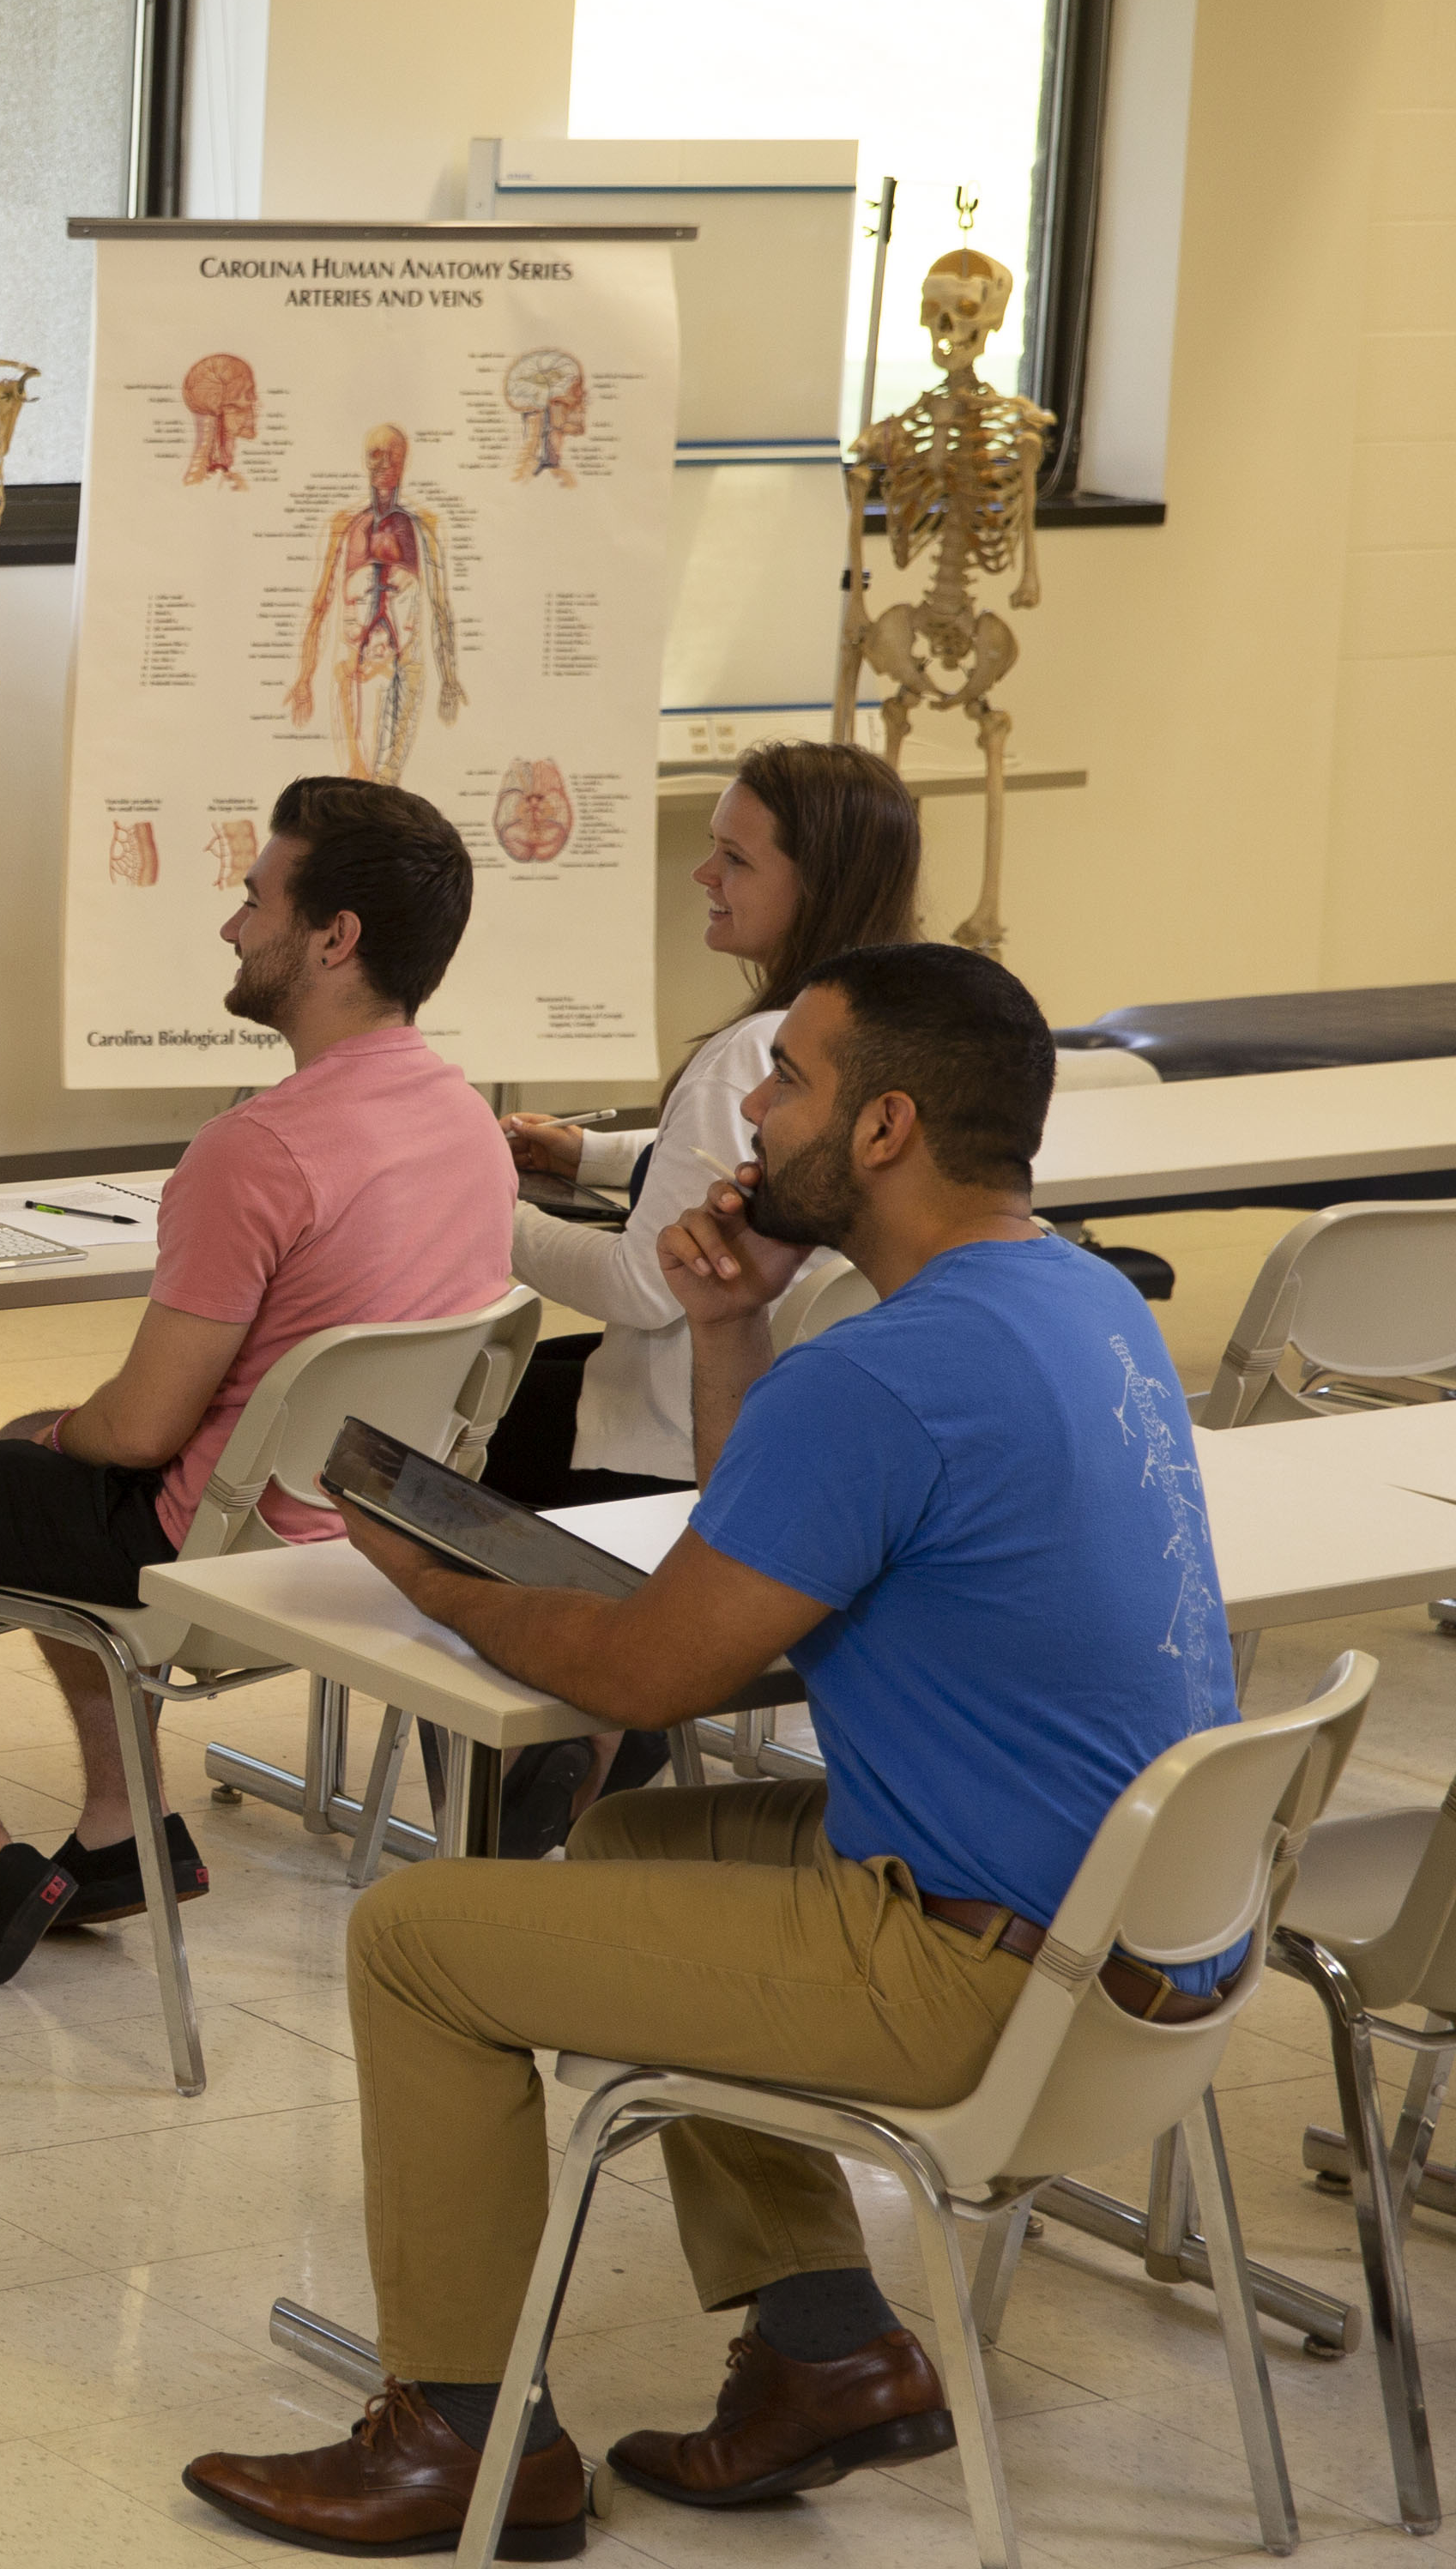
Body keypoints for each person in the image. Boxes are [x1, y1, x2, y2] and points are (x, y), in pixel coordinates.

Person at [184, 945, 1238, 2561]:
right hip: (1130, 1945)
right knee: (625, 1852)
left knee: (416, 1941)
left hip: (984, 1972)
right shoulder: (1076, 1296)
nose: (752, 1104)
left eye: (792, 1078)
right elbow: (773, 1555)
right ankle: (829, 2349)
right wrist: (726, 1330)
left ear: (883, 1129)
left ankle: (462, 2446)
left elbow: (647, 1673)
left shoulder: (884, 1376)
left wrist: (413, 1554)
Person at [0, 776, 511, 1987]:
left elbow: (141, 1427)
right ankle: (119, 1829)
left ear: (334, 938)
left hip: (200, 1556)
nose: (231, 926)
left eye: (255, 900)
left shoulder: (255, 1150)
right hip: (355, 1537)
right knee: (26, 1456)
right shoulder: (468, 1120)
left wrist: (58, 1432)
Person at [487, 739, 924, 1507]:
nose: (704, 875)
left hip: (672, 1445)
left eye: (735, 858)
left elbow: (645, 1288)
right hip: (804, 1414)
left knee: (449, 1427)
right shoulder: (907, 1024)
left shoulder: (758, 1050)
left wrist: (487, 1212)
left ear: (816, 883)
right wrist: (593, 1156)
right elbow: (750, 1166)